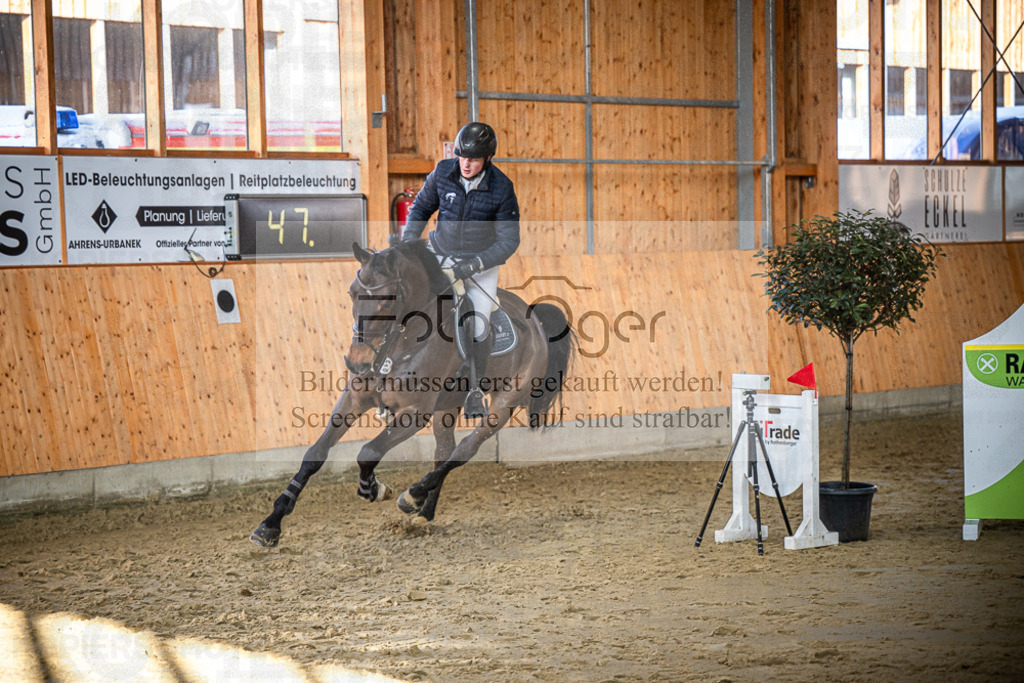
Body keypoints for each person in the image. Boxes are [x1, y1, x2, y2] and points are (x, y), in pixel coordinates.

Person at [399, 121, 520, 418]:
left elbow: (509, 240)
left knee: (478, 322)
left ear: (487, 159)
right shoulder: (443, 172)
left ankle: (475, 389)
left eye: (474, 159)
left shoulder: (502, 188)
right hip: (439, 253)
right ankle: (388, 371)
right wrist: (408, 244)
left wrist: (476, 264)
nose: (466, 164)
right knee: (404, 297)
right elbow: (421, 209)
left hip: (480, 264)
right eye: (462, 157)